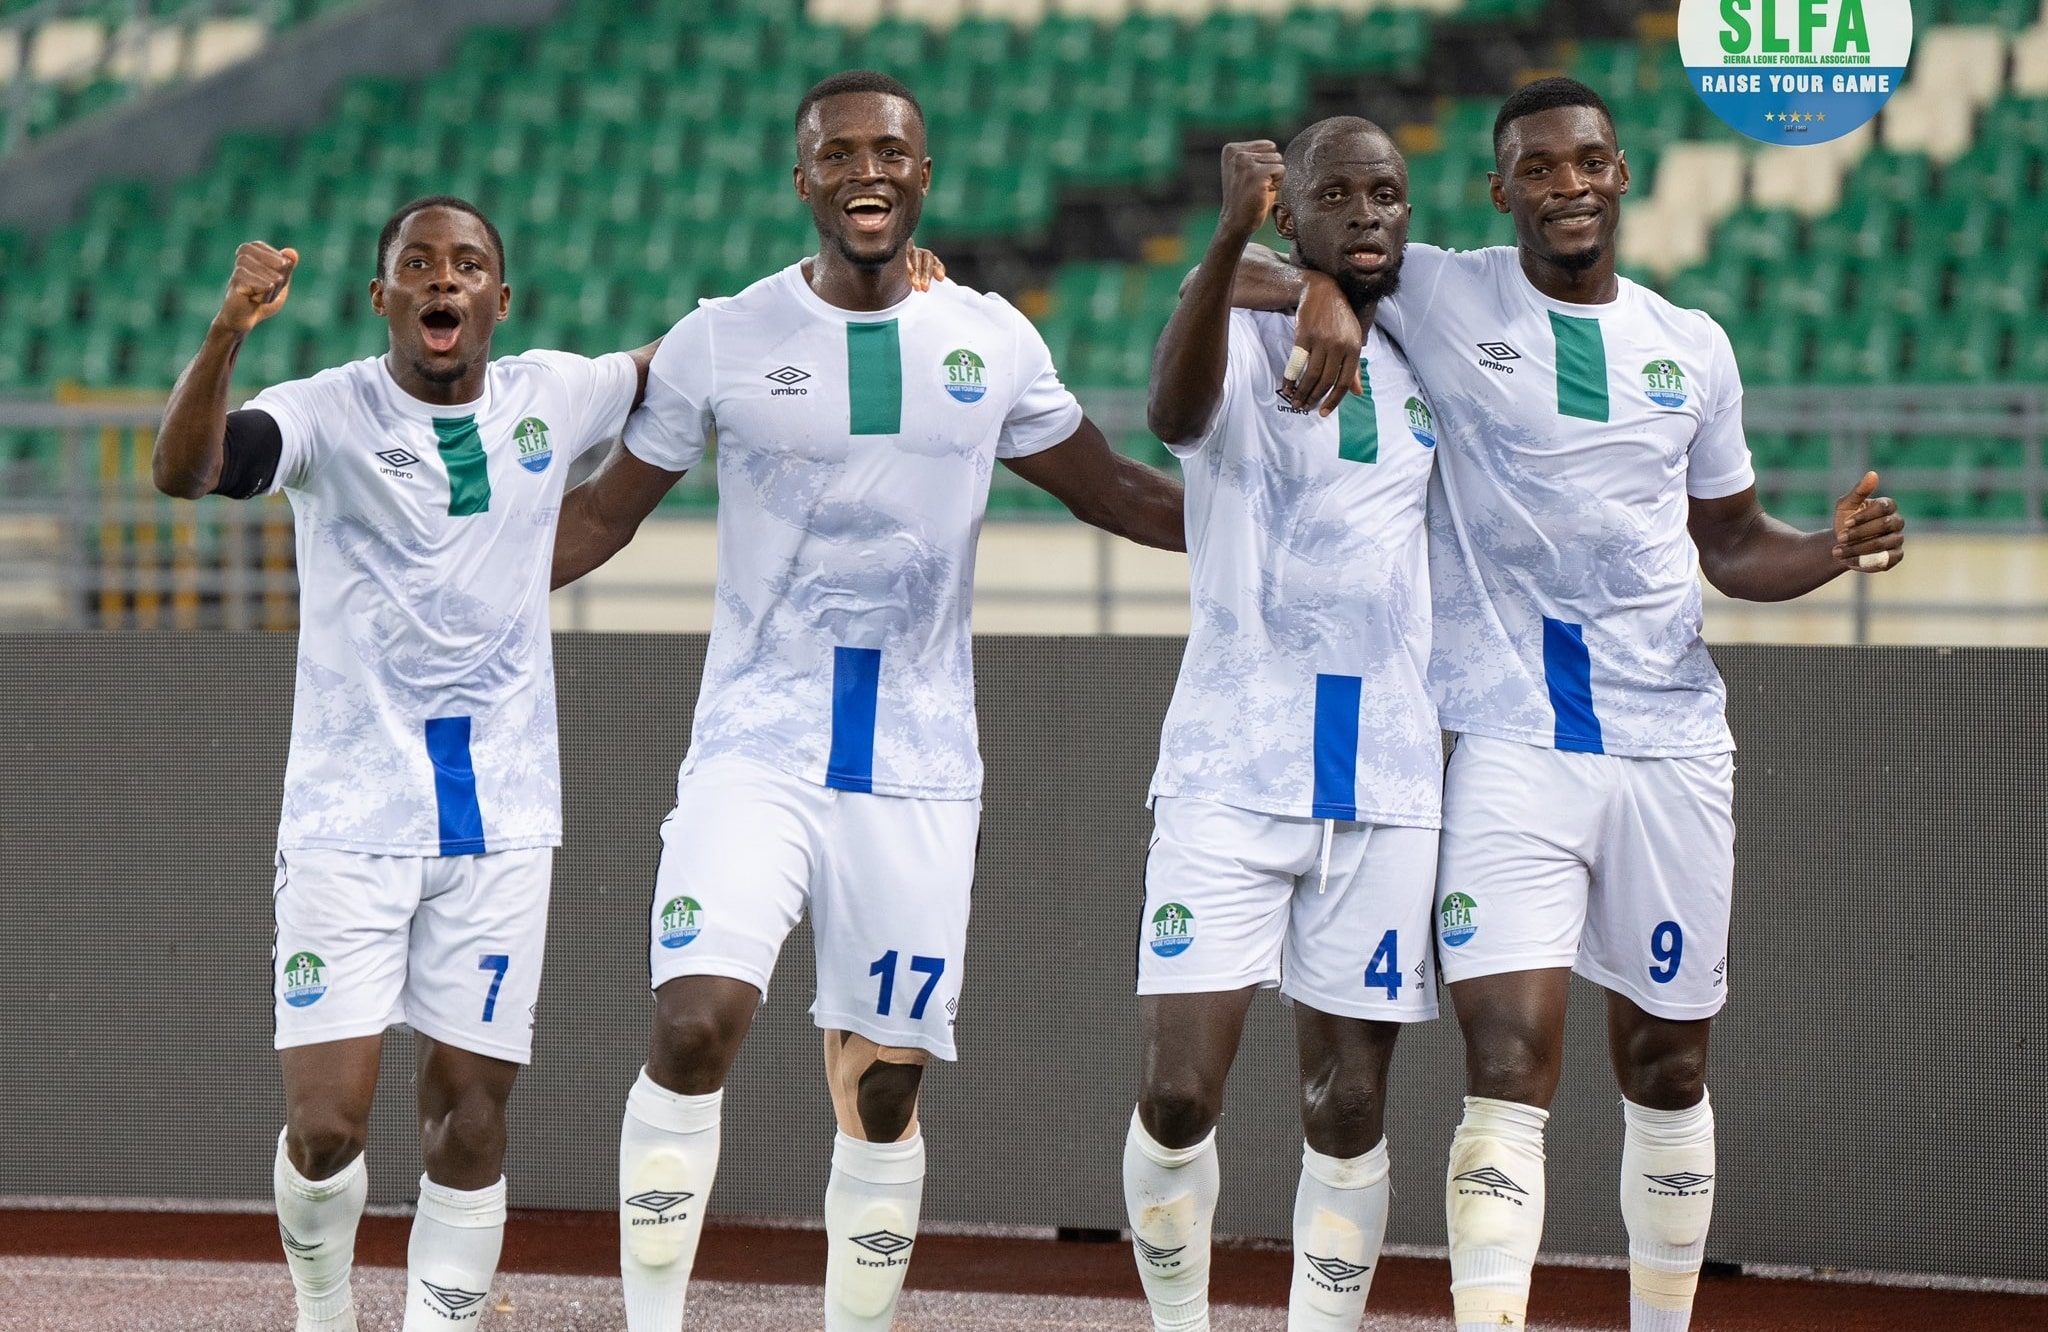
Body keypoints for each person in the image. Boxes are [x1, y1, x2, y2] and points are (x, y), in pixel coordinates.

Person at [1227, 77, 1905, 1332]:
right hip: (1509, 744)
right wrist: (1321, 286)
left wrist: (1829, 547)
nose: (1565, 185)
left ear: (1621, 171)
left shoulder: (1690, 344)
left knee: (1667, 1064)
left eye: (1585, 161)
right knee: (1504, 1067)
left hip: (1671, 747)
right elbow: (1252, 268)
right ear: (1501, 192)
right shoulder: (1440, 283)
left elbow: (1734, 542)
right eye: (1536, 169)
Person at [549, 70, 1186, 1332]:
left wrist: (1276, 538)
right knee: (695, 1023)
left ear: (923, 175)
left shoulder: (991, 339)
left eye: (889, 150)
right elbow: (604, 516)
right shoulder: (722, 338)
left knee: (885, 1090)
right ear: (804, 181)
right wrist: (462, 573)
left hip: (918, 764)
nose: (865, 171)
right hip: (755, 746)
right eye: (837, 154)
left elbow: (1112, 490)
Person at [152, 197, 652, 1332]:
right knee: (326, 1126)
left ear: (499, 300)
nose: (443, 279)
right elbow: (188, 471)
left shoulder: (554, 394)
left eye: (467, 264)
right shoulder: (325, 411)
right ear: (382, 298)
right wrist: (227, 332)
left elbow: (689, 358)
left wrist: (856, 290)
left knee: (470, 1119)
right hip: (346, 816)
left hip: (503, 820)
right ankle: (322, 1311)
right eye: (416, 265)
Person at [1125, 120, 1439, 1332]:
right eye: (1335, 197)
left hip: (1388, 778)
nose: (1366, 214)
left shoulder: (1432, 338)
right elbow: (1168, 405)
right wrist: (1254, 261)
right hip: (1228, 768)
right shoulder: (1230, 330)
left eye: (1387, 194)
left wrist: (1323, 288)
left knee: (1348, 1106)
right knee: (1175, 1095)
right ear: (1286, 210)